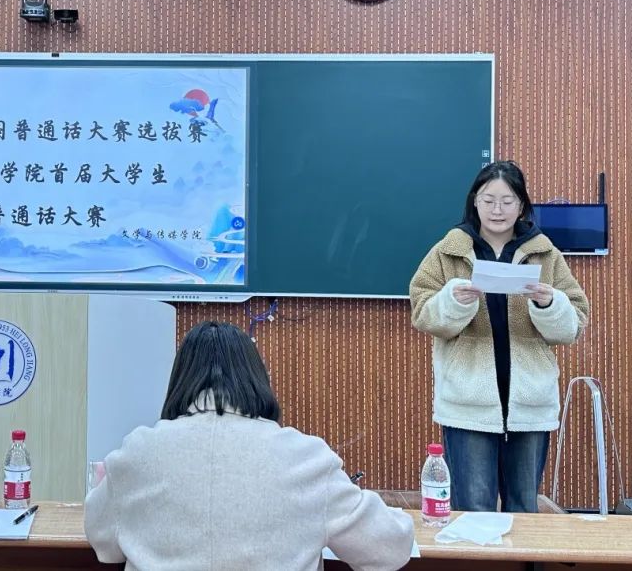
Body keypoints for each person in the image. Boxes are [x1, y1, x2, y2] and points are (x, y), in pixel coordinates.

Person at [84, 321, 414, 571]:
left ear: (179, 381)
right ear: (258, 378)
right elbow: (388, 549)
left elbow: (104, 545)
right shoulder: (307, 457)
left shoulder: (138, 452)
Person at [410, 161, 589, 513]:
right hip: (468, 400)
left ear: (521, 206)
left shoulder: (545, 252)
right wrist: (453, 301)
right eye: (488, 200)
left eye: (507, 201)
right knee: (472, 507)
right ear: (474, 202)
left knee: (523, 507)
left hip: (530, 400)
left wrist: (549, 303)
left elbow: (575, 323)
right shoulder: (448, 251)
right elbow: (422, 313)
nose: (497, 210)